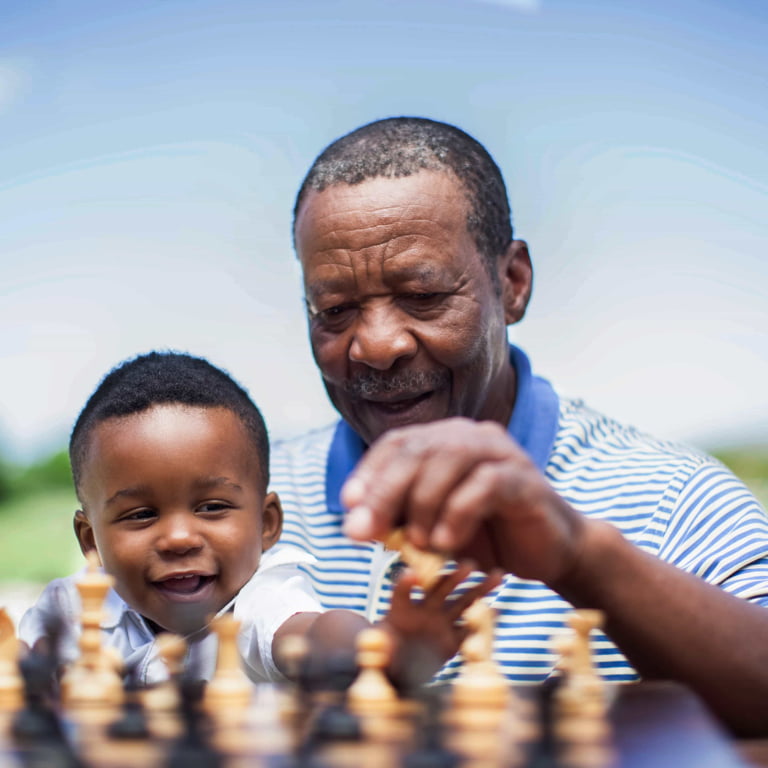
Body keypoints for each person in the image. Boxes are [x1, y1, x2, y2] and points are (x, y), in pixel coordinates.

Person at [273, 116, 768, 734]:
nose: (376, 345)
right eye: (335, 310)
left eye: (423, 296)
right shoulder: (250, 506)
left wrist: (581, 559)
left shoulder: (674, 502)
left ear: (512, 283)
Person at [20, 351, 495, 686]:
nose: (180, 537)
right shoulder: (68, 609)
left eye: (212, 507)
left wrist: (383, 648)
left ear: (268, 523)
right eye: (141, 515)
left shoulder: (259, 604)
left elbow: (315, 635)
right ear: (90, 541)